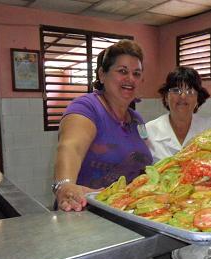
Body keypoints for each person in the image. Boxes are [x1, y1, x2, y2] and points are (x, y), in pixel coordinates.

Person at [53, 39, 152, 212]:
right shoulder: (87, 107)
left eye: (137, 73)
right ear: (102, 74)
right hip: (85, 211)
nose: (130, 78)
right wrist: (65, 185)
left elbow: (143, 165)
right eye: (122, 71)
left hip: (126, 213)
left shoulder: (137, 120)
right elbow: (71, 147)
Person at [146, 66, 211, 162]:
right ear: (166, 97)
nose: (183, 96)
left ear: (198, 99)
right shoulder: (149, 130)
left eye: (190, 91)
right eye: (176, 90)